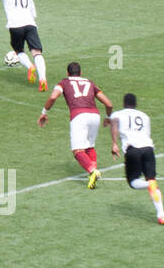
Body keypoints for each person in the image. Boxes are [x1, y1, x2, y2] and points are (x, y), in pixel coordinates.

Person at [39, 61, 115, 189]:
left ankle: (92, 171)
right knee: (90, 146)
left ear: (68, 73)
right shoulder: (90, 83)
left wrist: (44, 112)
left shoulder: (64, 82)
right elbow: (109, 104)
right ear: (81, 73)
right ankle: (92, 174)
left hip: (79, 116)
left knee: (77, 150)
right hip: (95, 116)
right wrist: (108, 117)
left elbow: (52, 97)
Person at [109, 94, 164, 225]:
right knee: (152, 180)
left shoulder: (118, 114)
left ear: (124, 103)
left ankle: (149, 185)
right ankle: (162, 215)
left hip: (133, 150)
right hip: (148, 148)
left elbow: (114, 122)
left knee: (133, 182)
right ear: (136, 104)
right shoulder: (145, 116)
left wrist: (114, 143)